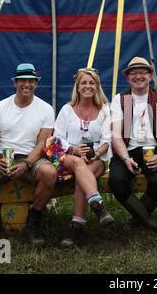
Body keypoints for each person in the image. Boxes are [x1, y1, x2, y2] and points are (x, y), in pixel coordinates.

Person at [0, 63, 58, 251]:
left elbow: (42, 143)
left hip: (30, 158)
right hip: (2, 157)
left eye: (31, 81)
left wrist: (27, 163)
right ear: (15, 83)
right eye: (22, 80)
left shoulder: (46, 109)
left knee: (49, 173)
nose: (27, 84)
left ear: (36, 84)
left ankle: (34, 221)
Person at [50, 67, 114, 248]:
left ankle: (76, 226)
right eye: (84, 83)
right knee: (79, 165)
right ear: (77, 87)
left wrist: (96, 154)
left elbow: (107, 140)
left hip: (96, 159)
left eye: (91, 83)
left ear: (97, 86)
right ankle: (97, 205)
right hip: (68, 157)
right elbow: (56, 138)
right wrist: (75, 150)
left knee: (82, 176)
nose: (88, 86)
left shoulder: (104, 111)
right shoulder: (67, 109)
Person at [109, 57, 157, 232]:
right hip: (128, 151)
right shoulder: (120, 99)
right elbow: (116, 134)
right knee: (116, 180)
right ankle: (148, 220)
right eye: (133, 73)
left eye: (142, 72)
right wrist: (125, 158)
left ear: (150, 75)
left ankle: (135, 221)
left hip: (155, 150)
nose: (138, 76)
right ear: (128, 78)